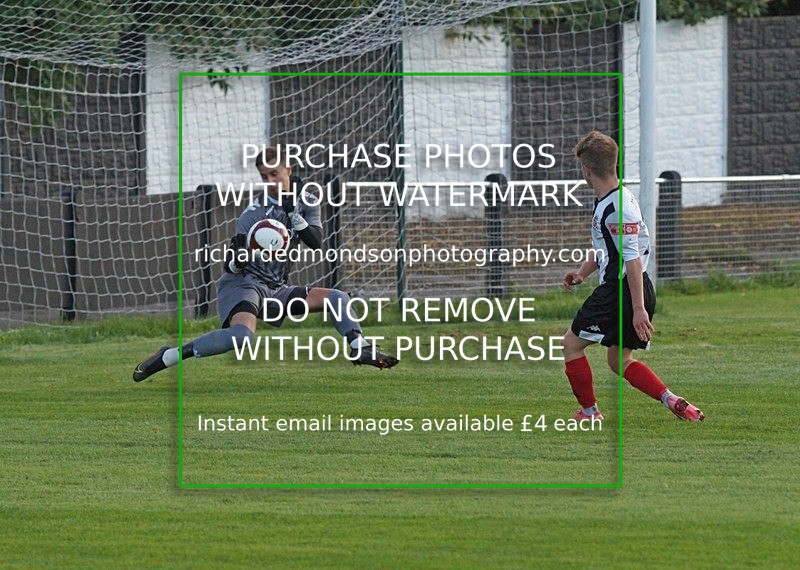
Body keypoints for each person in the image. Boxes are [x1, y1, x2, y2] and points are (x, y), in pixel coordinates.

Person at [133, 145, 398, 382]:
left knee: (337, 297)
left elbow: (316, 242)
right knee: (241, 338)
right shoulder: (254, 213)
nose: (270, 181)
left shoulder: (306, 201)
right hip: (244, 285)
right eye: (264, 177)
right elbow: (230, 264)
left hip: (276, 288)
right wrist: (239, 260)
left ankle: (359, 347)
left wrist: (295, 216)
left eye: (275, 174)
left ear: (288, 170)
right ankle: (171, 356)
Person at [561, 131, 703, 422]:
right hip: (636, 288)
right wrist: (581, 274)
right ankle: (673, 400)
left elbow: (631, 258)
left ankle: (589, 412)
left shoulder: (617, 209)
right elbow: (605, 247)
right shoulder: (618, 197)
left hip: (622, 290)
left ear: (586, 170)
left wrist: (638, 309)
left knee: (571, 345)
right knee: (619, 360)